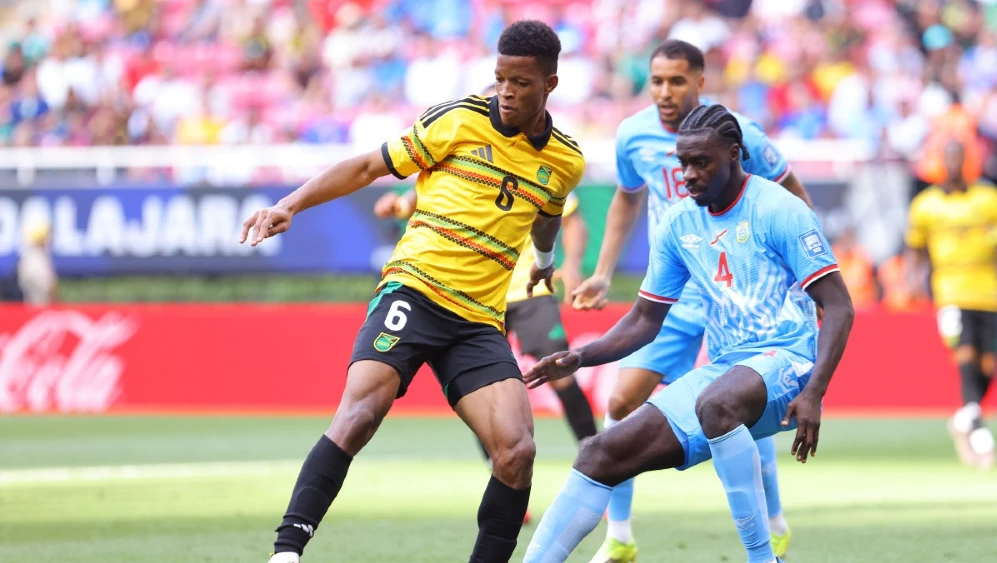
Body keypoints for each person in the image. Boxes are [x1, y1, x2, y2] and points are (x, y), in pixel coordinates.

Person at [239, 20, 586, 563]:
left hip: (477, 320)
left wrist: (544, 264)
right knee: (360, 414)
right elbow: (367, 166)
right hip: (415, 291)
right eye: (500, 79)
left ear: (551, 84)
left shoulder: (565, 160)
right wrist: (290, 204)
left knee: (516, 450)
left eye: (521, 82)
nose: (507, 92)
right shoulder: (459, 120)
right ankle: (286, 554)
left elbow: (546, 218)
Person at [522, 104, 854, 563]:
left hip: (789, 359)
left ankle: (764, 558)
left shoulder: (781, 209)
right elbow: (644, 319)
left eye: (702, 162)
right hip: (725, 369)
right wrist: (584, 357)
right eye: (683, 163)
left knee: (716, 403)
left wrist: (815, 390)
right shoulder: (679, 223)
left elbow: (839, 305)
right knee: (599, 453)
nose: (689, 174)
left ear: (735, 154)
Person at [570, 39, 810, 563]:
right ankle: (621, 537)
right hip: (675, 293)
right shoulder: (632, 135)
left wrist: (803, 274)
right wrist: (603, 272)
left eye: (677, 81)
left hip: (741, 293)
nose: (664, 91)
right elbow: (627, 199)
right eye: (656, 80)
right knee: (619, 402)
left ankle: (771, 527)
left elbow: (790, 190)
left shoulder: (738, 134)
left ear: (700, 82)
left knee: (740, 401)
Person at [373, 188, 597, 449]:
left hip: (528, 287)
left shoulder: (541, 165)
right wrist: (398, 206)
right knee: (480, 388)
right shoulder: (464, 159)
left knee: (561, 372)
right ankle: (496, 465)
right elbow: (423, 198)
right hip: (476, 294)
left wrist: (572, 265)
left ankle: (593, 451)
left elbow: (573, 220)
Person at [905, 140, 997, 470]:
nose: (956, 162)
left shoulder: (988, 199)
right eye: (950, 157)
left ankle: (963, 417)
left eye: (960, 156)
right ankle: (978, 432)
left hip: (988, 290)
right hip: (950, 290)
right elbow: (916, 247)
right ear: (942, 161)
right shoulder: (926, 205)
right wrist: (912, 279)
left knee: (988, 365)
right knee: (965, 354)